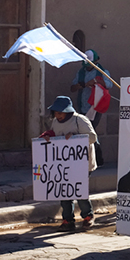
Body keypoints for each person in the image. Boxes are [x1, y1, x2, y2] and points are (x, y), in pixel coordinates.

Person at [42, 96, 98, 230]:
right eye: (55, 113)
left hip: (83, 164)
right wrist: (48, 137)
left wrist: (75, 137)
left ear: (67, 111)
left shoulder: (80, 120)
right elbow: (55, 137)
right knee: (64, 192)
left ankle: (88, 216)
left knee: (79, 192)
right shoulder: (55, 122)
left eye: (60, 113)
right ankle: (68, 220)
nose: (57, 115)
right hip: (64, 165)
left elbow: (93, 138)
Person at [69, 50, 112, 128]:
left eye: (89, 64)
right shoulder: (80, 72)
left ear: (95, 61)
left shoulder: (103, 72)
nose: (88, 67)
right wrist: (78, 86)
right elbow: (72, 88)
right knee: (83, 128)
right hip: (83, 105)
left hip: (95, 107)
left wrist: (96, 81)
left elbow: (109, 84)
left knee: (91, 128)